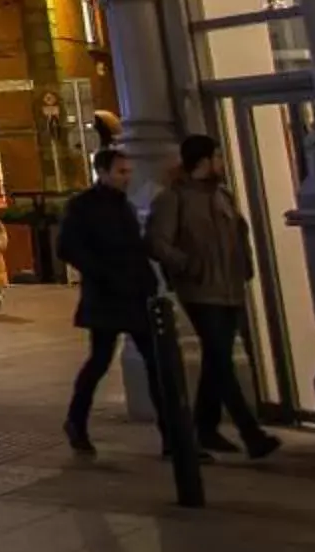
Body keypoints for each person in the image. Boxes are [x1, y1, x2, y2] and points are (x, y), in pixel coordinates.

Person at [148, 134, 280, 459]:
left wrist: (244, 265)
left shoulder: (223, 196)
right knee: (220, 359)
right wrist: (186, 265)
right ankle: (251, 433)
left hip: (230, 288)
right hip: (200, 290)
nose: (222, 162)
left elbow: (239, 233)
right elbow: (157, 242)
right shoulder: (173, 199)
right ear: (204, 161)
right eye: (217, 157)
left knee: (215, 358)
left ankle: (205, 428)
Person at [59, 147, 162, 456]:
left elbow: (135, 249)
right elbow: (67, 248)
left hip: (134, 294)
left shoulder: (124, 206)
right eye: (121, 172)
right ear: (102, 173)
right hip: (106, 296)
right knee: (100, 361)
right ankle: (76, 420)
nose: (127, 177)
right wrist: (102, 274)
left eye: (128, 171)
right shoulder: (82, 206)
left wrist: (148, 281)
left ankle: (172, 434)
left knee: (156, 362)